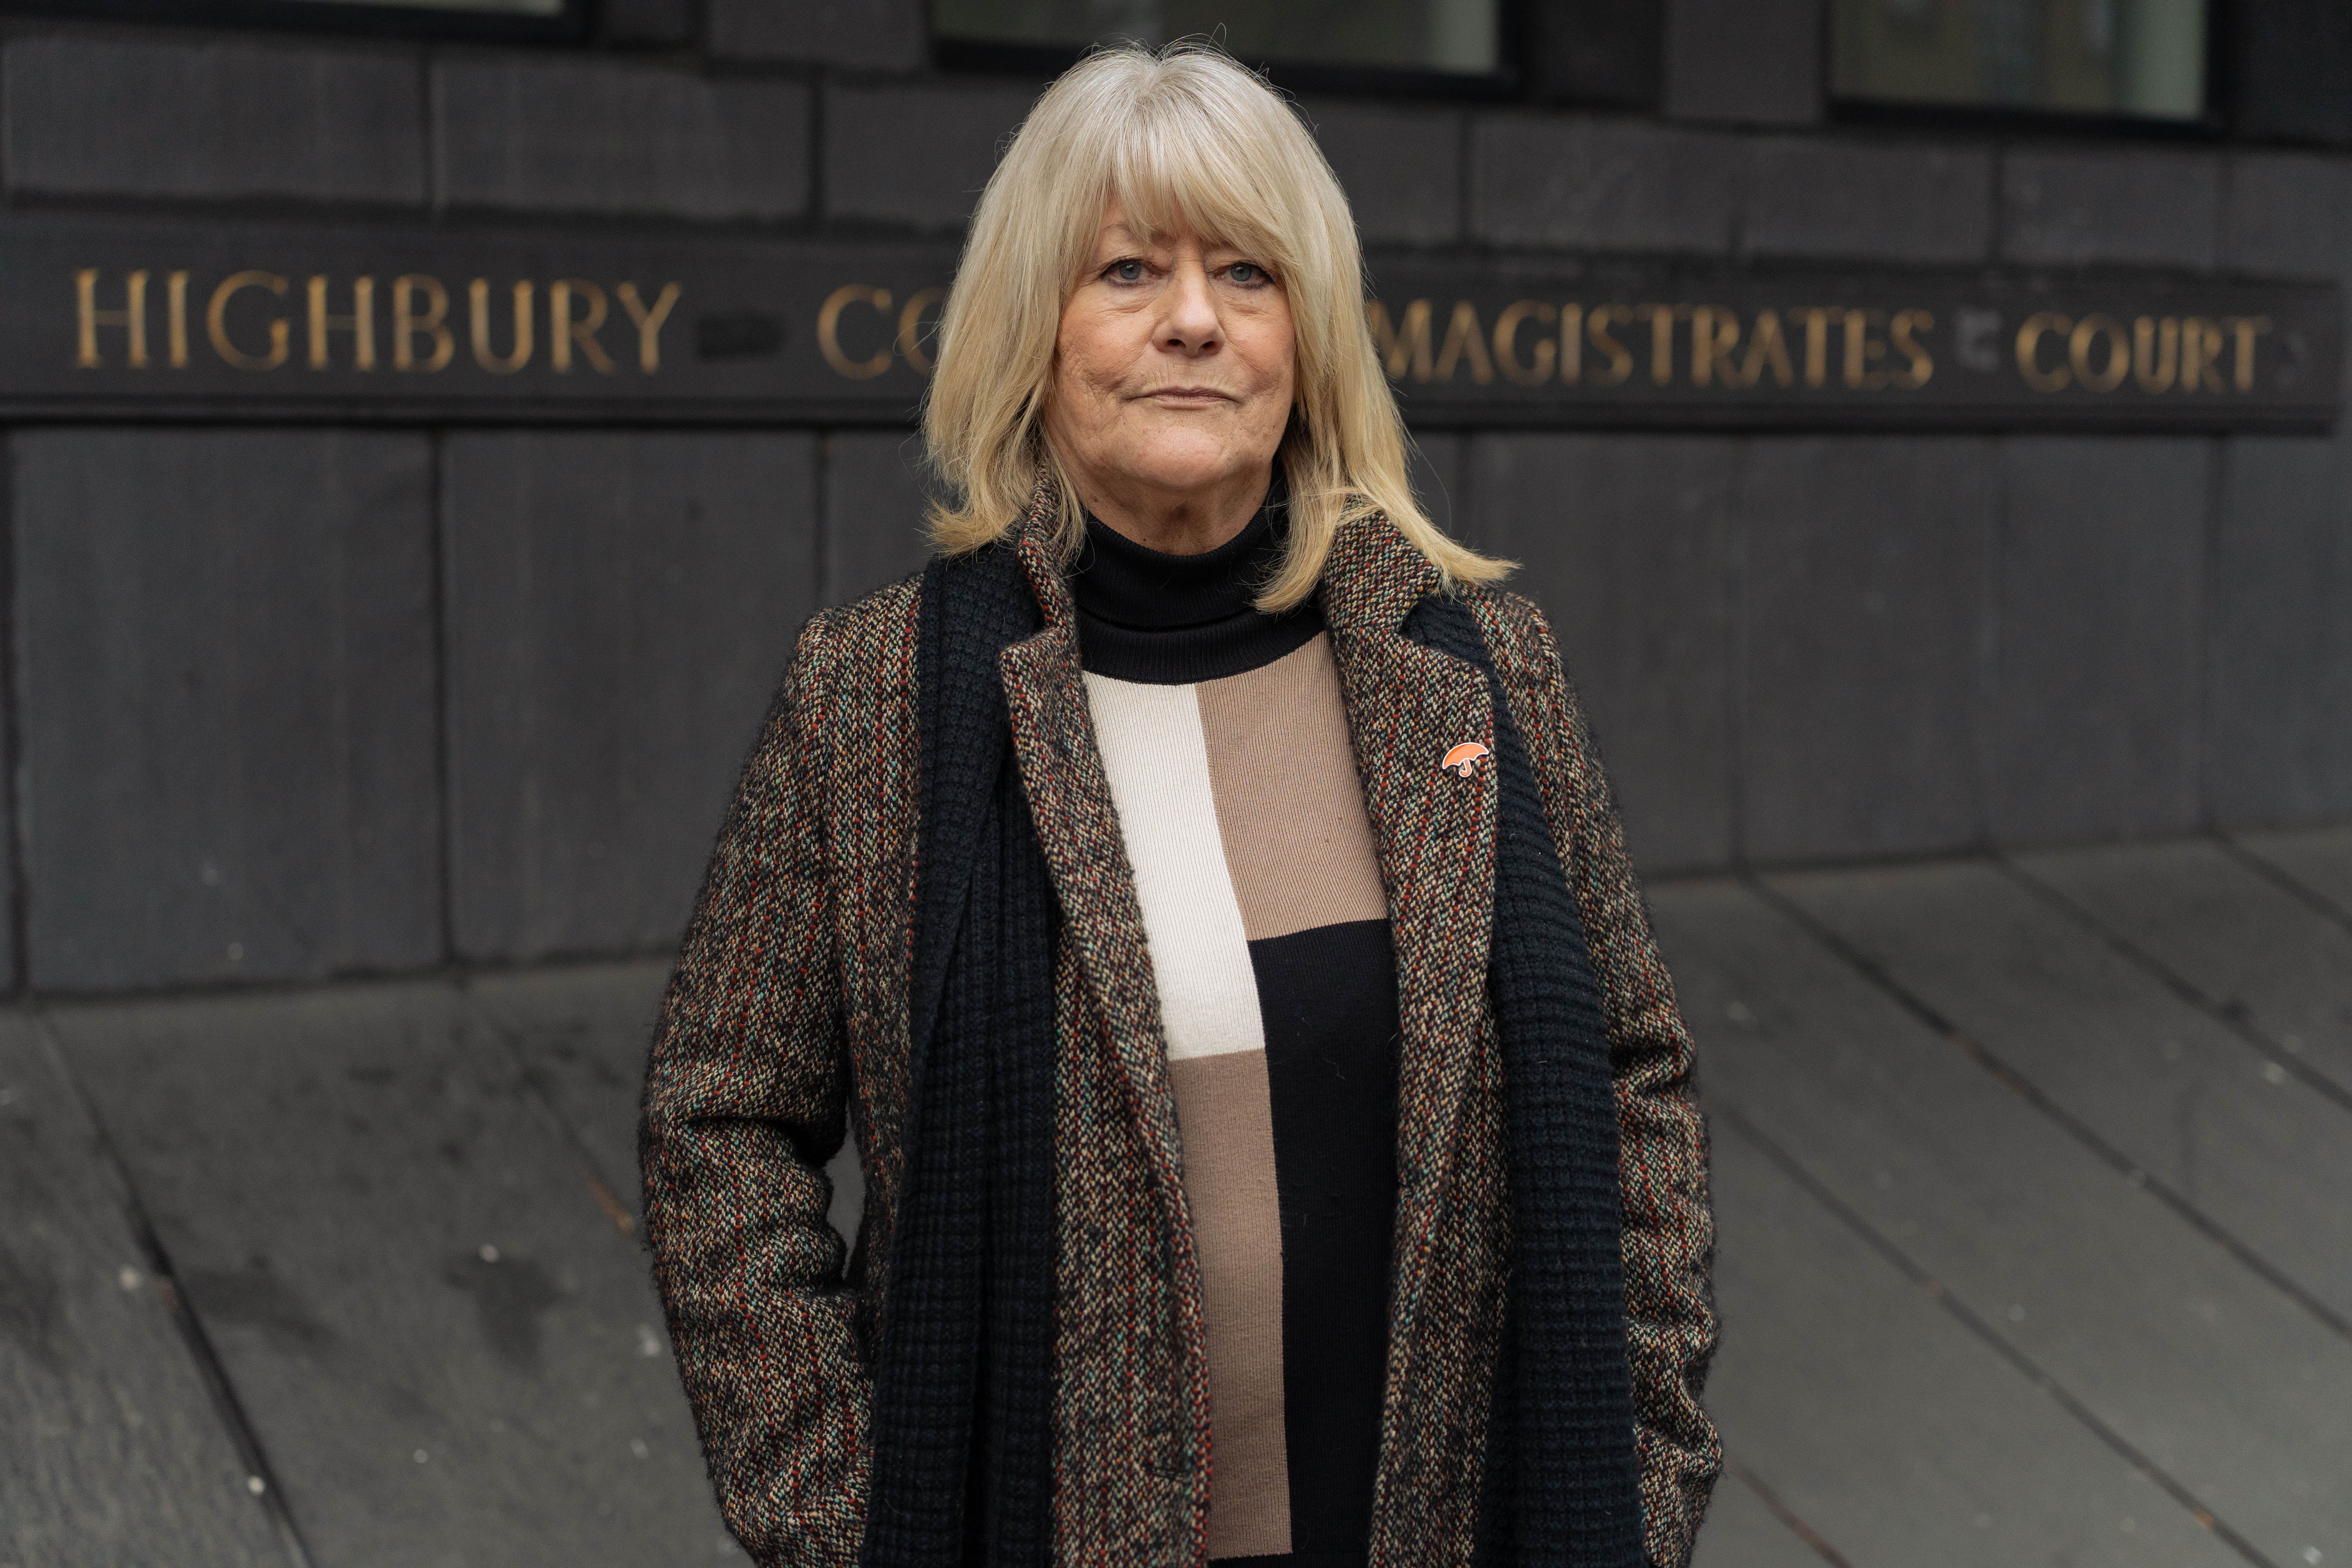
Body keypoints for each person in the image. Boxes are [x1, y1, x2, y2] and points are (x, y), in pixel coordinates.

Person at [640, 40, 1719, 1568]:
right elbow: (720, 1122)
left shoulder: (1479, 673)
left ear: (1308, 336)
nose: (1196, 319)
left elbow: (1631, 1076)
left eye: (1248, 273)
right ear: (1035, 326)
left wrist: (1641, 1477)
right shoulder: (873, 703)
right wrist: (845, 1521)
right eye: (1130, 270)